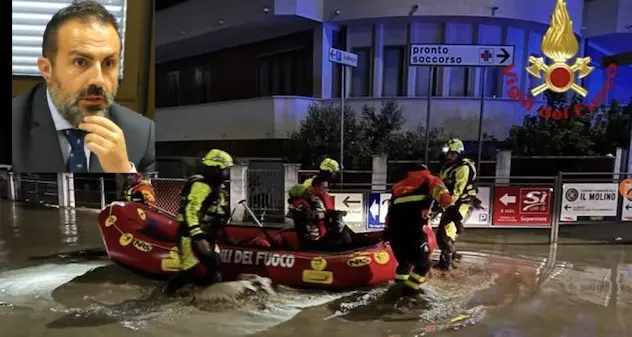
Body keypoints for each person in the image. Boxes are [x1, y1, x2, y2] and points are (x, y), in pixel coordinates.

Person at [12, 1, 155, 173]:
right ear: (47, 69)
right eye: (80, 62)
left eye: (109, 63)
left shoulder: (143, 135)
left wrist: (124, 172)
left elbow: (152, 199)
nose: (98, 80)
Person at [162, 149, 233, 296]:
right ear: (216, 169)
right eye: (226, 169)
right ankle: (166, 294)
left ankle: (204, 296)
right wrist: (199, 237)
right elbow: (191, 211)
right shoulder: (201, 186)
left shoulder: (217, 188)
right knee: (191, 271)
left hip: (204, 234)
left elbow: (217, 213)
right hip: (189, 234)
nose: (227, 173)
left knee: (214, 264)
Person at [385, 164, 452, 299]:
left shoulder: (398, 186)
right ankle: (409, 292)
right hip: (413, 229)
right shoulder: (429, 179)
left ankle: (397, 289)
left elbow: (389, 212)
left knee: (404, 264)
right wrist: (452, 210)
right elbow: (443, 196)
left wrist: (386, 231)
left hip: (394, 230)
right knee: (424, 264)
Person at [436, 138, 480, 270]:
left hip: (463, 204)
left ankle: (445, 267)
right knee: (442, 234)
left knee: (445, 234)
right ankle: (453, 256)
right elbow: (440, 186)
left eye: (452, 154)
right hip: (452, 204)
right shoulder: (447, 167)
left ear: (459, 154)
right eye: (448, 153)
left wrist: (443, 205)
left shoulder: (463, 168)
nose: (449, 156)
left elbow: (457, 191)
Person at [287, 184, 352, 251]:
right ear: (301, 195)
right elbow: (314, 215)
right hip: (311, 242)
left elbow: (319, 213)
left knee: (343, 230)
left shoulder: (306, 205)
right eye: (306, 192)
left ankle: (357, 241)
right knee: (341, 235)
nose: (309, 193)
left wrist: (335, 213)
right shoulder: (298, 207)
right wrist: (332, 214)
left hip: (317, 237)